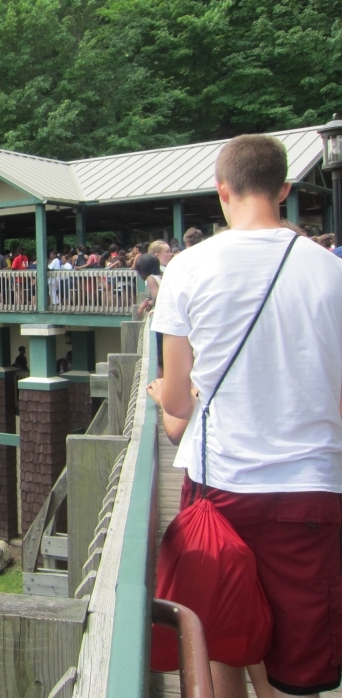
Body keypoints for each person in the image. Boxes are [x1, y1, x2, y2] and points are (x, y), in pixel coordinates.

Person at [149, 134, 342, 698]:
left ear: (221, 190)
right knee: (295, 671)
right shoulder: (331, 271)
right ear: (284, 189)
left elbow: (180, 403)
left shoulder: (187, 269)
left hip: (220, 488)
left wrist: (164, 398)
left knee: (222, 644)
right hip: (312, 491)